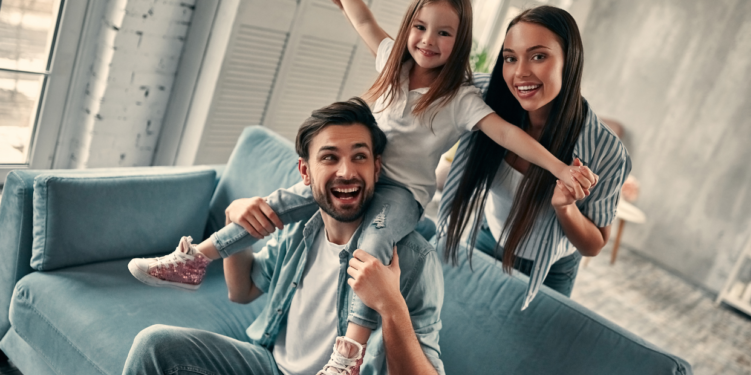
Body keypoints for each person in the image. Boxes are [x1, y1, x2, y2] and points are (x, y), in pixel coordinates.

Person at [128, 0, 593, 364]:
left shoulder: (460, 100)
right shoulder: (394, 66)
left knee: (369, 251)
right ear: (410, 26)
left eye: (445, 33)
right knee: (277, 202)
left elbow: (509, 133)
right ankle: (195, 260)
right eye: (421, 27)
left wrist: (560, 168)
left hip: (400, 195)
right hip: (364, 178)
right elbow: (365, 21)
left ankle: (348, 352)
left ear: (461, 41)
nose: (428, 40)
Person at [122, 98, 445, 375]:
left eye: (359, 157)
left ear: (377, 168)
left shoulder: (415, 260)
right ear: (305, 172)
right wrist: (233, 218)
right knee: (154, 345)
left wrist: (391, 307)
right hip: (270, 365)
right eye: (330, 157)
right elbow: (242, 290)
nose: (346, 172)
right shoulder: (301, 229)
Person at [438, 5, 631, 308]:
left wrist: (565, 208)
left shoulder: (605, 149)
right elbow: (415, 68)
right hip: (489, 238)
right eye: (510, 58)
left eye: (538, 56)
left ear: (570, 61)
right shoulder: (485, 97)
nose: (520, 72)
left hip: (550, 268)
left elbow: (594, 244)